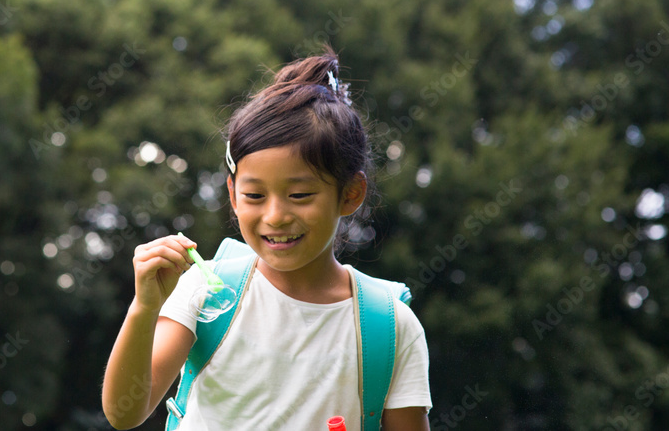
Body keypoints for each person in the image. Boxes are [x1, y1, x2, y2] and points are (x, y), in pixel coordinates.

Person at [102, 47, 432, 430]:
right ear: (232, 195)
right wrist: (145, 307)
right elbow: (124, 412)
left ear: (350, 194)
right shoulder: (205, 291)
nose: (275, 216)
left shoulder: (390, 327)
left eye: (300, 195)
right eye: (255, 196)